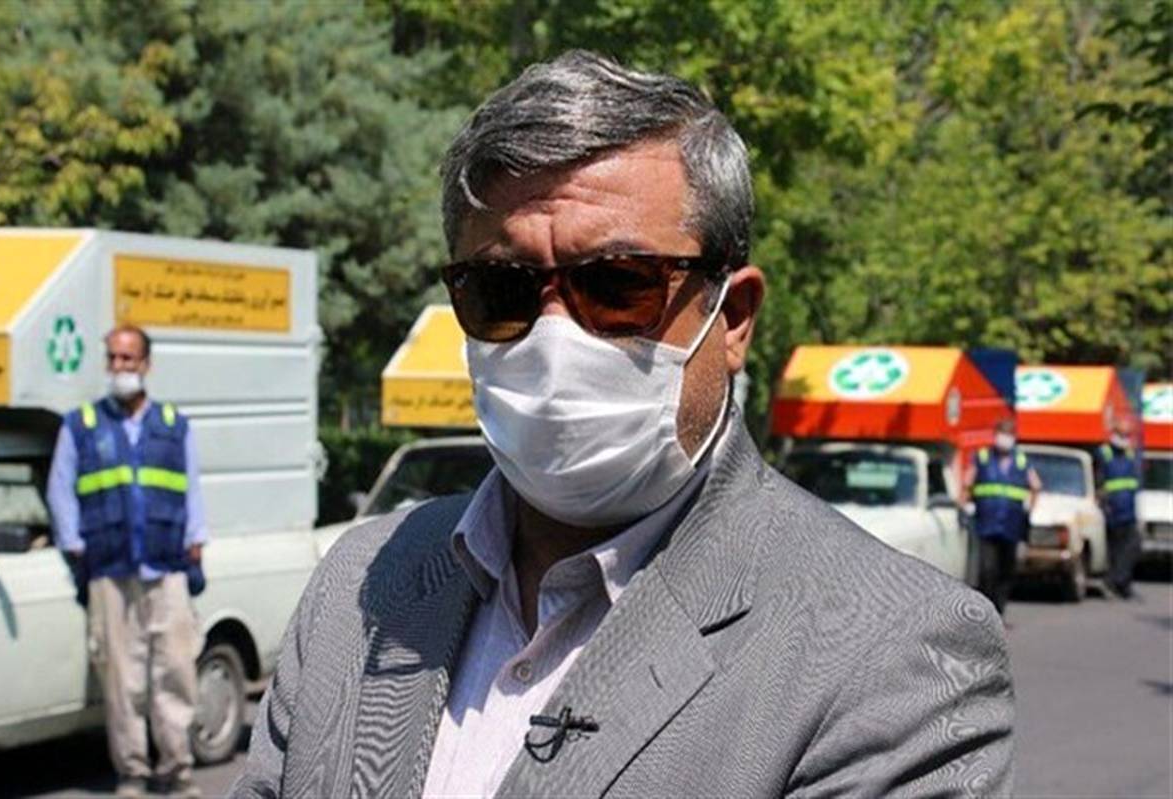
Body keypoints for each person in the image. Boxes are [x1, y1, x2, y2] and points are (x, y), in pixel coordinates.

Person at [234, 50, 1013, 798]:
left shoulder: (896, 650)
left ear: (733, 317)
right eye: (502, 291)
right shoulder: (362, 581)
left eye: (617, 285)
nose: (553, 339)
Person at [47, 325, 206, 799]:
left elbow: (192, 490)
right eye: (113, 358)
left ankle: (177, 770)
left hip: (166, 567)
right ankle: (133, 773)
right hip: (110, 572)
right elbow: (60, 491)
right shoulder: (82, 425)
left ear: (146, 364)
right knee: (121, 680)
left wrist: (197, 542)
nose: (119, 367)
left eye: (128, 358)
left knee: (176, 673)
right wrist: (75, 545)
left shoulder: (174, 426)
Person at [962, 418, 1042, 615]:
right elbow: (967, 483)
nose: (1004, 439)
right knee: (987, 570)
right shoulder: (983, 457)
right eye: (1001, 434)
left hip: (1011, 525)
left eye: (1008, 434)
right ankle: (987, 610)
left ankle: (999, 610)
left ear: (1014, 437)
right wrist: (964, 505)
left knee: (1007, 571)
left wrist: (1029, 509)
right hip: (986, 524)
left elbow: (1036, 485)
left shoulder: (1021, 460)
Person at [1096, 418, 1141, 597]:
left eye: (1127, 434)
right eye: (1121, 434)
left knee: (1130, 548)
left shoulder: (1130, 454)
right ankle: (1114, 583)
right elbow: (1099, 481)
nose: (1124, 438)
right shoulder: (1104, 453)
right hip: (1112, 510)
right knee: (1114, 550)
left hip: (1128, 511)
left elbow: (1133, 482)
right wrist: (1103, 503)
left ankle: (1122, 583)